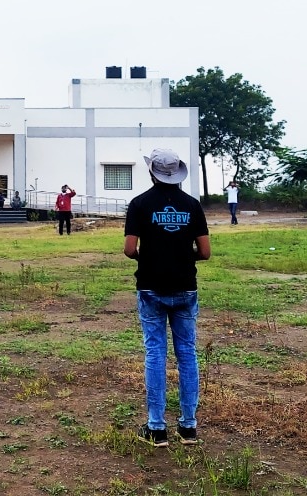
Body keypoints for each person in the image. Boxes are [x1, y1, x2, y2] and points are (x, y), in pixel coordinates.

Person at [124, 148, 210, 448]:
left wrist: (147, 257)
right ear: (177, 173)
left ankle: (156, 428)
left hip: (151, 288)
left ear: (152, 172)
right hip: (186, 287)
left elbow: (129, 248)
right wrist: (184, 257)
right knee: (187, 353)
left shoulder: (139, 204)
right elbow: (206, 252)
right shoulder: (192, 205)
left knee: (155, 353)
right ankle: (188, 428)